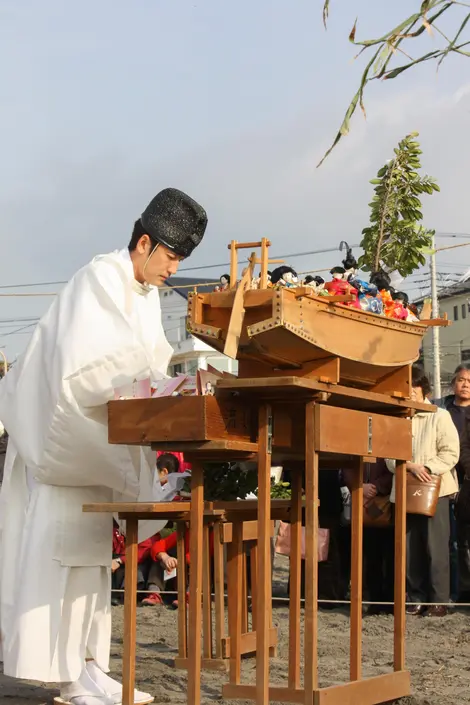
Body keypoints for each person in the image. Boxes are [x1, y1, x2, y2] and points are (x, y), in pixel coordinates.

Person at [0, 188, 207, 705]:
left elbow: (148, 360)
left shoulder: (141, 293)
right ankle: (67, 676)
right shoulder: (98, 278)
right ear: (144, 242)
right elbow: (82, 369)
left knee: (92, 562)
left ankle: (89, 665)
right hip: (63, 442)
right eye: (172, 257)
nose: (173, 270)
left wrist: (165, 384)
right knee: (63, 557)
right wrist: (144, 380)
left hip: (97, 441)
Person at [387, 365, 460, 617]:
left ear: (423, 388)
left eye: (413, 387)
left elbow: (451, 453)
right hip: (405, 491)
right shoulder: (398, 418)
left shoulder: (439, 416)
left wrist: (427, 467)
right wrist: (409, 466)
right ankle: (415, 597)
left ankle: (439, 599)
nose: (409, 392)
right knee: (409, 548)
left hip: (435, 491)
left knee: (436, 547)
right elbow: (388, 456)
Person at [434, 363, 470, 602]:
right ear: (453, 383)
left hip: (467, 481)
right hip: (443, 478)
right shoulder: (442, 410)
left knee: (465, 539)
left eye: (469, 381)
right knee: (447, 538)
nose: (465, 385)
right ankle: (455, 590)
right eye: (461, 380)